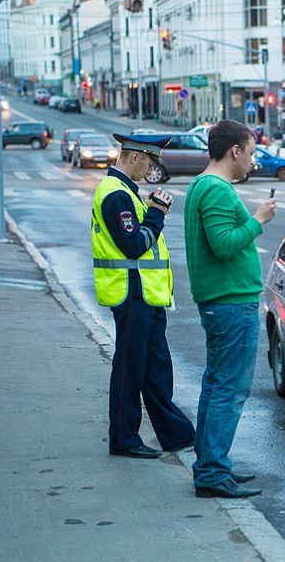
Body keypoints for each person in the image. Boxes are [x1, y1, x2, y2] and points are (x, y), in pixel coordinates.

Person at [184, 120, 277, 498]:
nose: (253, 161)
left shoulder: (200, 186)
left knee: (216, 384)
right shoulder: (217, 190)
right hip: (230, 302)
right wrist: (257, 221)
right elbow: (224, 245)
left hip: (221, 301)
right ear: (235, 150)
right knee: (230, 389)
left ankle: (210, 464)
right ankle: (211, 472)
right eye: (252, 152)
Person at [91, 133, 195, 459]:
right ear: (134, 157)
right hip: (131, 293)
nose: (150, 169)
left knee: (155, 368)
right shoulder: (115, 195)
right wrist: (157, 212)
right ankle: (123, 438)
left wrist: (151, 209)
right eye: (149, 162)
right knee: (130, 368)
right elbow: (134, 245)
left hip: (146, 296)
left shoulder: (127, 193)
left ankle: (175, 433)